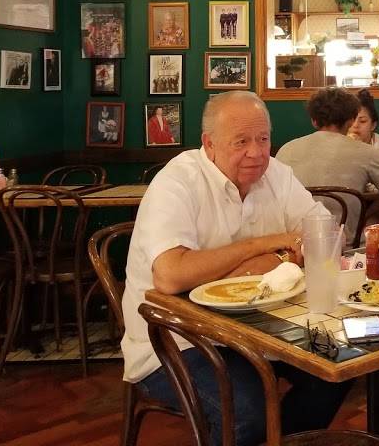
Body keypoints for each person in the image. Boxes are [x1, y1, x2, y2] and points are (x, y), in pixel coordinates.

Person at [121, 92, 349, 446]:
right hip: (176, 339)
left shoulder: (278, 175)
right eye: (241, 141)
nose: (256, 152)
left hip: (263, 329)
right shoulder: (177, 181)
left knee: (338, 366)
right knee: (246, 412)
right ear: (209, 144)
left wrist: (280, 260)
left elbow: (326, 236)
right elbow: (171, 275)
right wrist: (262, 245)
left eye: (263, 139)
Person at [276, 88, 379, 241]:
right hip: (346, 244)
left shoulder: (286, 150)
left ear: (314, 120)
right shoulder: (367, 153)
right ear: (351, 120)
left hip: (293, 243)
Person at [348, 89, 379, 166]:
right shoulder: (339, 145)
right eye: (352, 120)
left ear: (373, 125)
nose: (355, 125)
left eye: (362, 121)